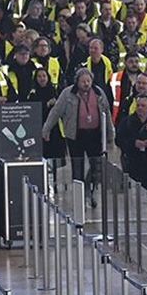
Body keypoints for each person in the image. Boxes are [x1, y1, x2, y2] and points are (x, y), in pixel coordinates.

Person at [42, 67, 114, 208]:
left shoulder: (99, 92)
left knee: (96, 167)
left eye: (88, 81)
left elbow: (107, 113)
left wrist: (110, 133)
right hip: (75, 136)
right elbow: (55, 112)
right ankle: (79, 199)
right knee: (77, 169)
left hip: (95, 135)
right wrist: (46, 129)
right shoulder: (67, 94)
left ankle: (90, 192)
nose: (86, 84)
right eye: (83, 81)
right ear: (77, 82)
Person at [115, 93, 147, 188]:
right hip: (133, 163)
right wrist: (133, 143)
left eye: (143, 105)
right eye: (138, 105)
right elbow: (118, 140)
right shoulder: (126, 122)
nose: (140, 108)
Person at [24, 67, 65, 162]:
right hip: (39, 128)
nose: (42, 78)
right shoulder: (32, 93)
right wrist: (46, 104)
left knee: (55, 158)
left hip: (55, 128)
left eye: (44, 76)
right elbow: (32, 110)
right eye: (39, 76)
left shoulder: (54, 90)